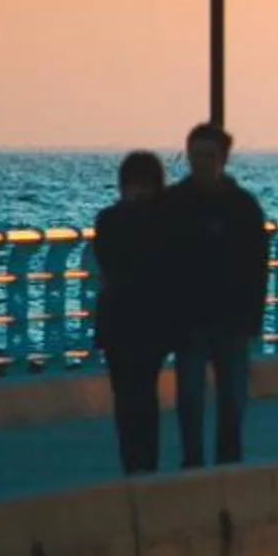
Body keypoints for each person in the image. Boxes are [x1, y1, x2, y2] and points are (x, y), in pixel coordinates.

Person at [161, 122, 268, 467]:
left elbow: (257, 266)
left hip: (232, 318)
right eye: (195, 155)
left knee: (233, 400)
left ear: (223, 158)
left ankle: (228, 460)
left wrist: (252, 316)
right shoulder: (173, 204)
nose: (201, 162)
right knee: (190, 398)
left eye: (209, 156)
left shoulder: (242, 207)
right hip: (189, 318)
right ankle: (193, 459)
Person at [91, 150, 174, 474]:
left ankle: (138, 462)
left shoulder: (111, 218)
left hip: (126, 320)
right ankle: (140, 461)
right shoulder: (155, 220)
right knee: (134, 394)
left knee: (133, 394)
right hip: (138, 321)